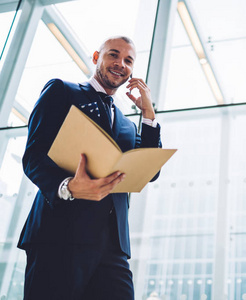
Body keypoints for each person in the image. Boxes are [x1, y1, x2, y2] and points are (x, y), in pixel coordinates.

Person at [18, 36, 162, 300]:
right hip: (58, 238)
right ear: (97, 58)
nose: (120, 64)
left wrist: (148, 115)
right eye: (113, 55)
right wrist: (69, 187)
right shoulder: (62, 90)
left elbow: (150, 171)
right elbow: (34, 156)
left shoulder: (128, 125)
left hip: (112, 248)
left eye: (128, 60)